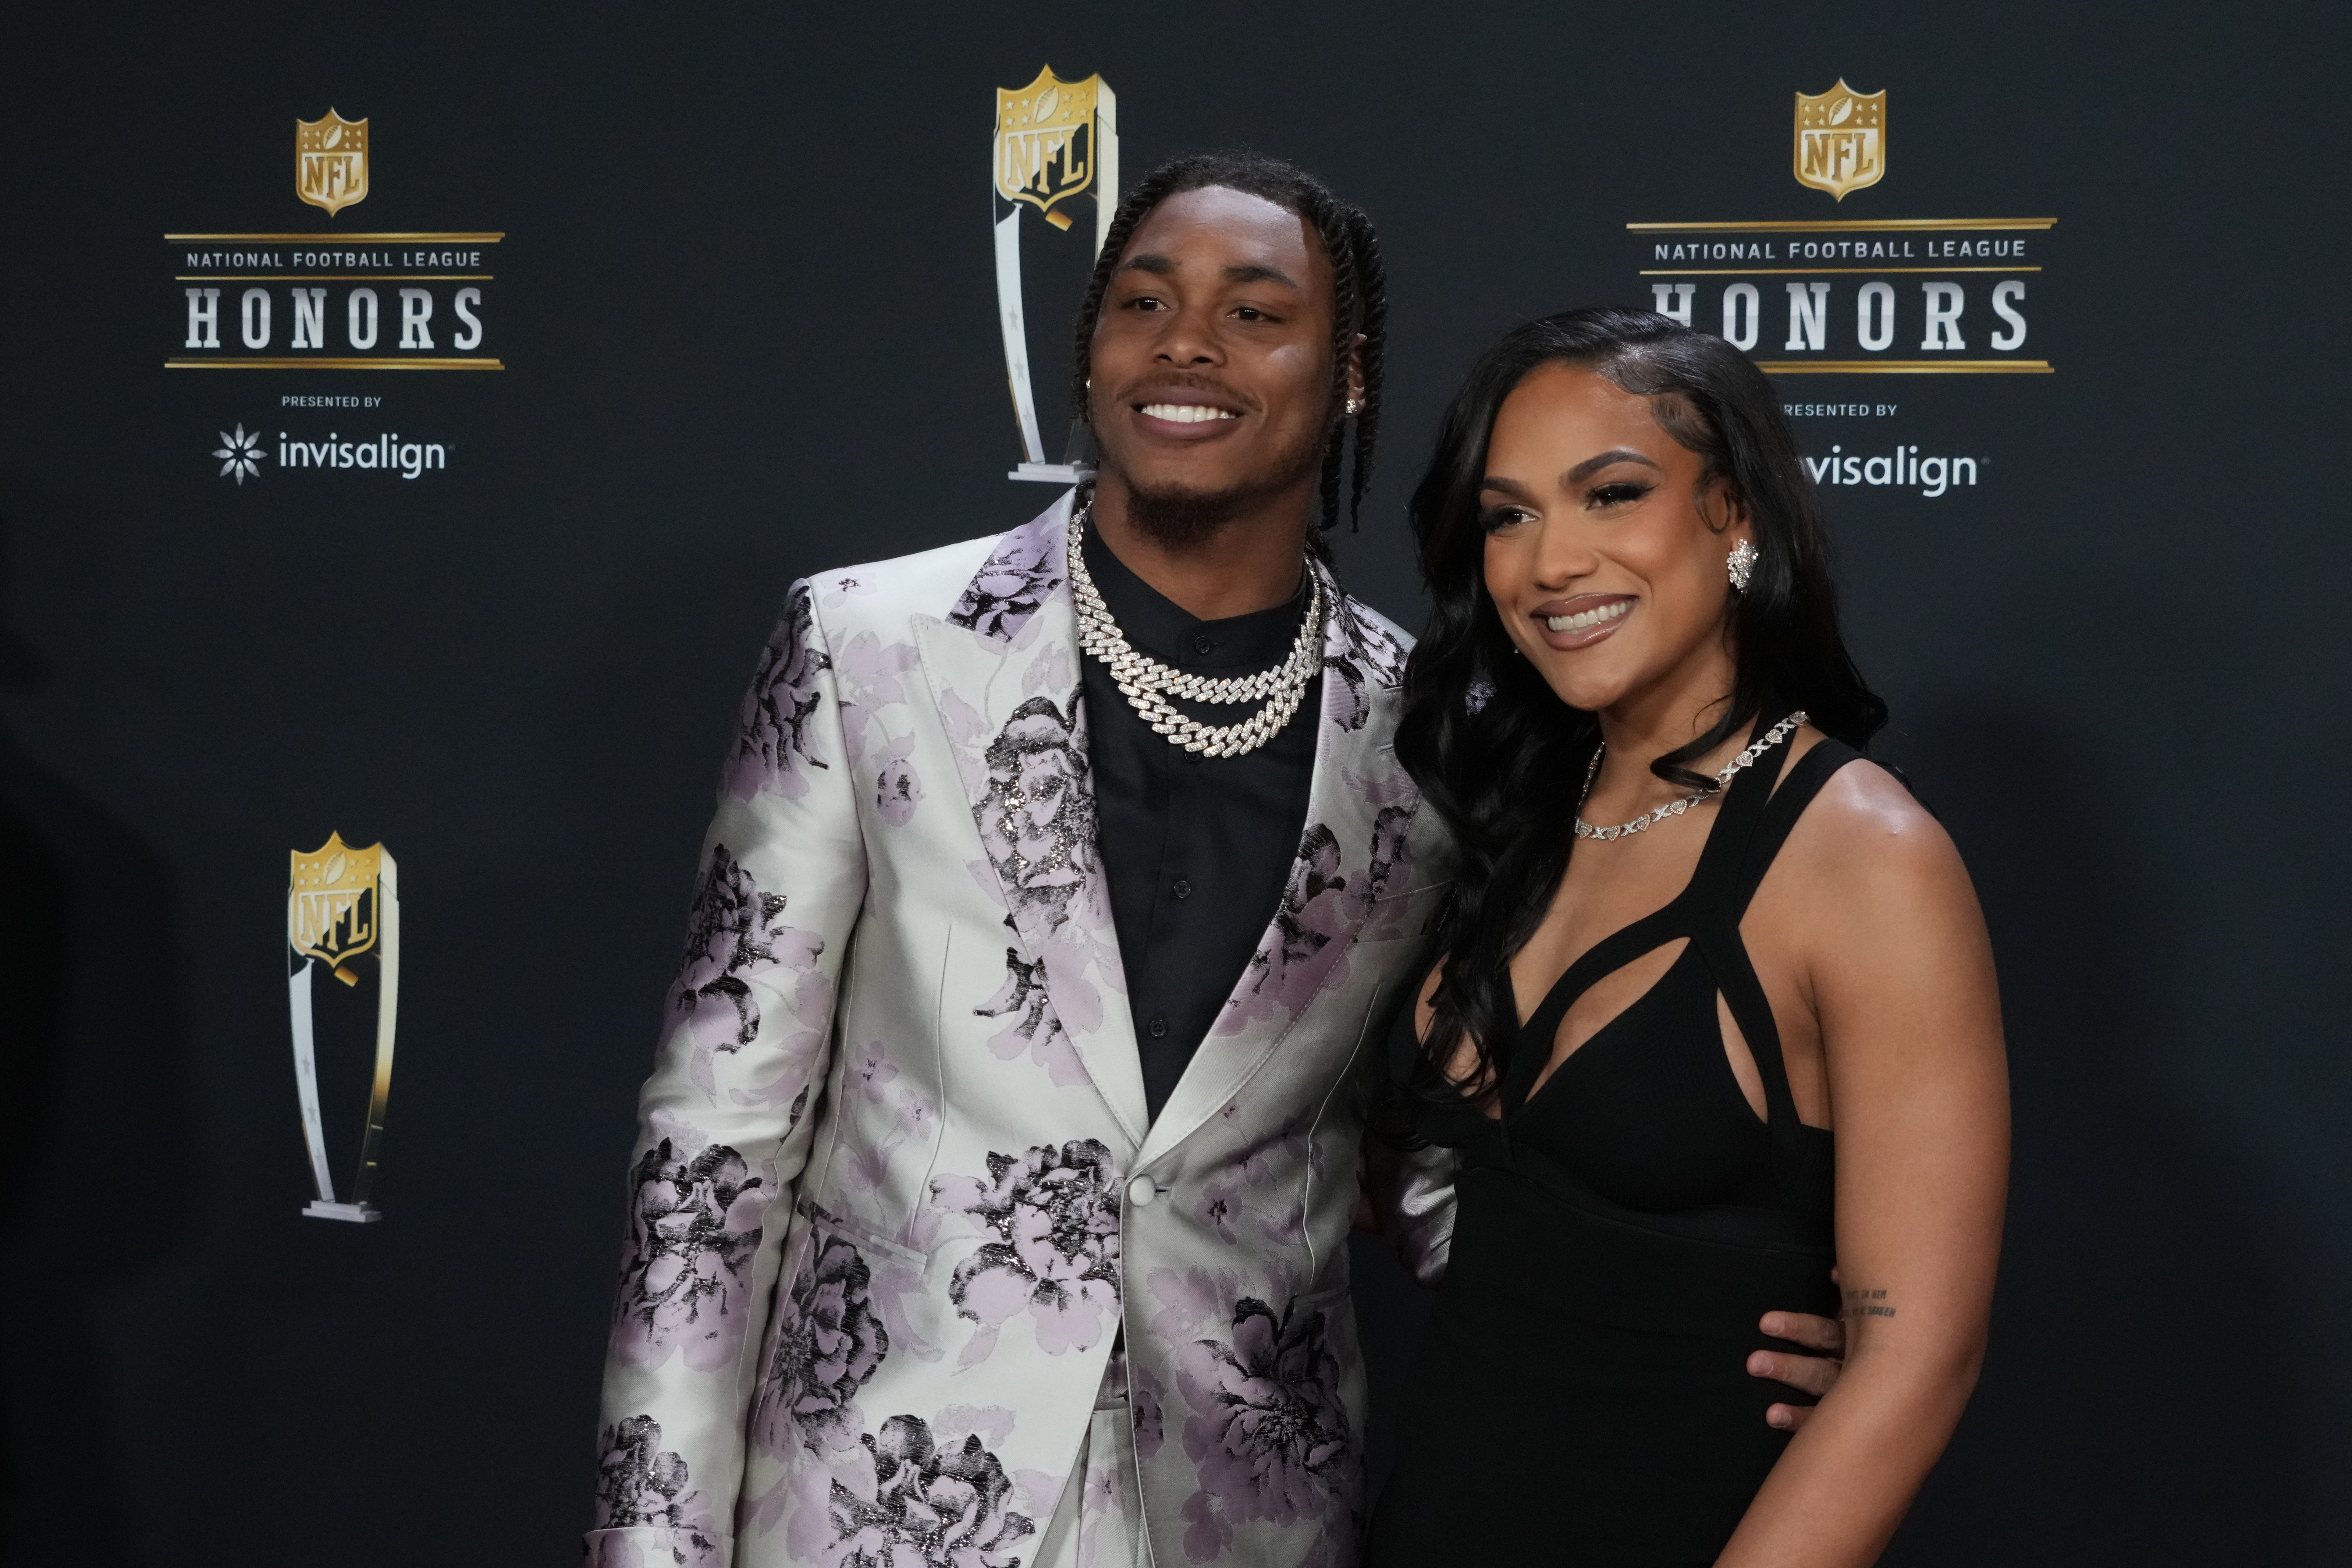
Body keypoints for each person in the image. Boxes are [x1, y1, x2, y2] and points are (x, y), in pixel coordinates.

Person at [586, 158, 1844, 1568]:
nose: (1186, 343)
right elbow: (714, 1146)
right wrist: (653, 1542)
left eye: (1255, 312)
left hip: (1247, 1527)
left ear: (1347, 372)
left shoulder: (1431, 735)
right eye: (1143, 302)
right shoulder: (868, 647)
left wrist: (1715, 1310)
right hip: (874, 1513)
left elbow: (1436, 1157)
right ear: (1091, 351)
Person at [1366, 307, 2009, 1567]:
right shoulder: (1512, 822)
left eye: (1611, 494)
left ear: (1736, 517)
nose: (1551, 562)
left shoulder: (1863, 860)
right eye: (1508, 515)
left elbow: (1913, 1361)